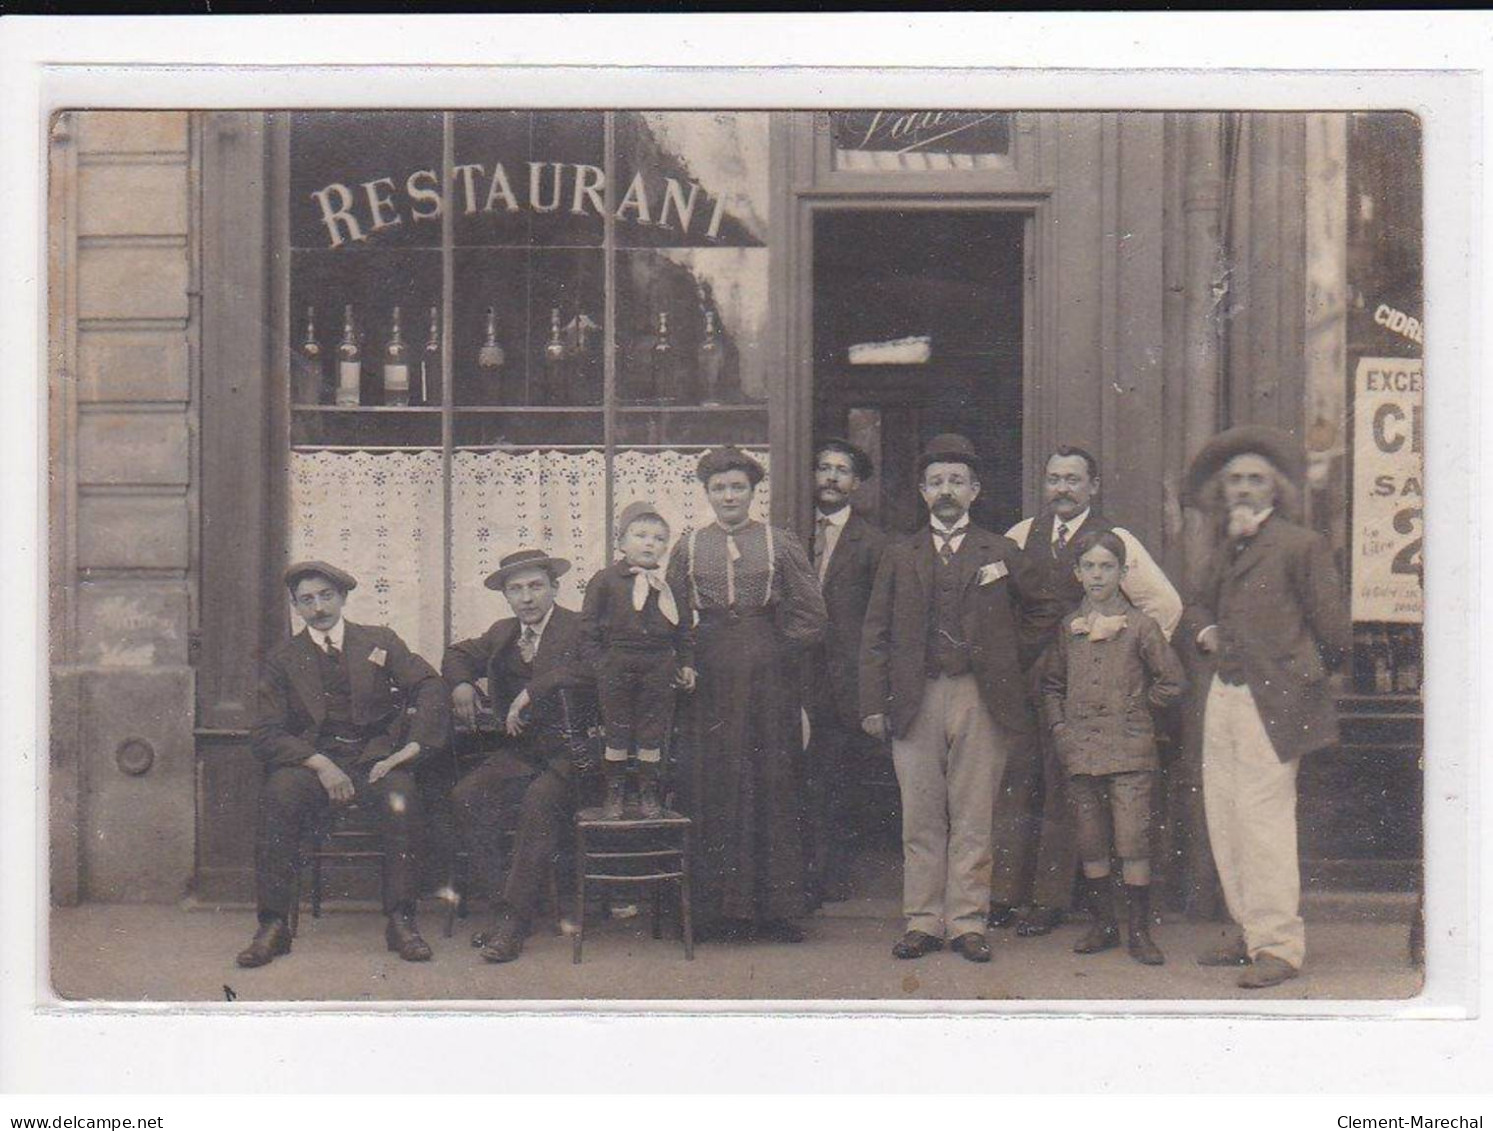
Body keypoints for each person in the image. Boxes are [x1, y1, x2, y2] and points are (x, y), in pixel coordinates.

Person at [860, 434, 1051, 963]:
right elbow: (875, 632)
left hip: (979, 696)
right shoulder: (900, 553)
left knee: (973, 814)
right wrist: (874, 702)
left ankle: (967, 921)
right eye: (937, 482)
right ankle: (923, 920)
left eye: (957, 482)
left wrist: (1007, 655)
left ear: (975, 490)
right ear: (923, 492)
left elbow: (1042, 609)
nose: (947, 491)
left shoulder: (1000, 550)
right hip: (914, 697)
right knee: (920, 815)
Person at [1178, 426, 1350, 989]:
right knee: (1226, 817)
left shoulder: (1300, 545)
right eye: (1235, 480)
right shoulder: (1221, 546)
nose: (1245, 488)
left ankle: (1278, 946)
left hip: (1274, 701)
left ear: (1275, 490)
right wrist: (1204, 628)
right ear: (1222, 492)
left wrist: (1295, 672)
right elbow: (1197, 599)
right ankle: (1251, 929)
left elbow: (1333, 634)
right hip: (1225, 696)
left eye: (1255, 479)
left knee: (1264, 821)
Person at [990, 445, 1183, 937]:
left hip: (1083, 686)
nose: (1063, 488)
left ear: (1093, 486)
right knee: (1016, 780)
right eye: (1054, 478)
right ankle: (1003, 893)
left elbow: (1164, 606)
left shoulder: (1114, 540)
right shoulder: (1019, 535)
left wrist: (1122, 655)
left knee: (1063, 789)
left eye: (1074, 479)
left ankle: (1049, 900)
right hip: (1030, 681)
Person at [237, 561, 449, 969]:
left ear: (344, 597)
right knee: (278, 796)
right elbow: (265, 731)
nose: (318, 608)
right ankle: (273, 924)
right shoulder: (283, 658)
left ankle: (401, 919)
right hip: (312, 764)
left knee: (402, 797)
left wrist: (409, 749)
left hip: (373, 760)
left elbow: (427, 684)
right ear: (296, 607)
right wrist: (318, 763)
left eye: (326, 596)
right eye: (307, 600)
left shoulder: (378, 641)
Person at [666, 446, 828, 943]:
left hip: (765, 674)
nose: (729, 496)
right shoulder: (689, 545)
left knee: (768, 781)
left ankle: (772, 911)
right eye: (720, 488)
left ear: (753, 492)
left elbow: (812, 614)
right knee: (711, 781)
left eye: (738, 487)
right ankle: (712, 912)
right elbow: (672, 614)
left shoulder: (778, 542)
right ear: (707, 493)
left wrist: (774, 649)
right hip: (709, 674)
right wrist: (686, 660)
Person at [1039, 530, 1187, 966]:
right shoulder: (1069, 627)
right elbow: (1052, 685)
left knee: (1132, 838)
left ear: (1123, 573)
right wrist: (1061, 727)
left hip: (1130, 750)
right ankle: (1103, 924)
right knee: (1091, 839)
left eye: (1107, 567)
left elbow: (1173, 681)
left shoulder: (1140, 625)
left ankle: (1138, 931)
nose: (1098, 575)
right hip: (1081, 749)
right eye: (1090, 566)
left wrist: (1138, 707)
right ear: (1077, 573)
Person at [444, 549, 592, 964]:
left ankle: (513, 924)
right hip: (522, 753)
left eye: (535, 586)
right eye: (516, 589)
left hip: (571, 755)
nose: (527, 597)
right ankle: (501, 907)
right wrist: (462, 685)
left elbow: (597, 670)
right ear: (506, 596)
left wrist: (535, 688)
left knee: (537, 804)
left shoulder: (580, 628)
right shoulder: (503, 632)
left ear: (554, 588)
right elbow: (457, 654)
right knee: (466, 796)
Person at [801, 438, 887, 907]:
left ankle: (830, 878)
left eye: (842, 471)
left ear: (856, 484)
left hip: (843, 682)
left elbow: (879, 619)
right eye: (824, 467)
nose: (831, 477)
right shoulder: (790, 532)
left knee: (835, 781)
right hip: (796, 677)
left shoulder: (873, 542)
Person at [580, 500, 695, 819]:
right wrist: (598, 664)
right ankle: (614, 792)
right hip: (616, 662)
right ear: (621, 542)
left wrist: (686, 662)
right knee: (616, 730)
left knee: (651, 731)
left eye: (658, 538)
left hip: (658, 665)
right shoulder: (605, 580)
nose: (649, 543)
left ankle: (648, 792)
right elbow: (588, 626)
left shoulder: (669, 584)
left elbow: (684, 628)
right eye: (640, 535)